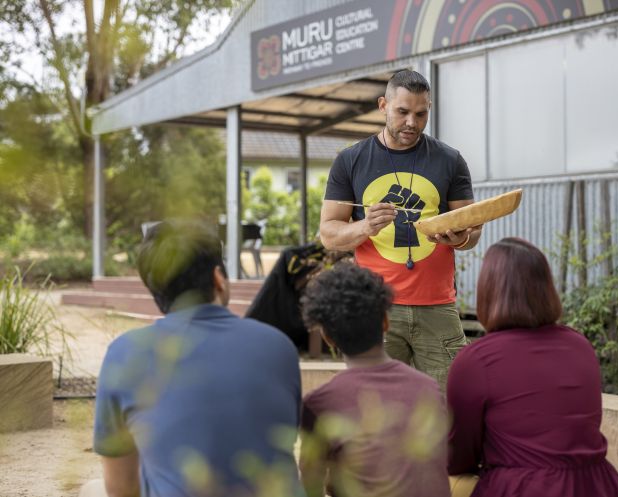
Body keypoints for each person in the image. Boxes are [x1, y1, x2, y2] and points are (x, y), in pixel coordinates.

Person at [86, 220, 302, 497]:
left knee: (92, 489)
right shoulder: (278, 345)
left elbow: (120, 489)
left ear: (155, 289)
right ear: (218, 278)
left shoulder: (124, 353)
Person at [320, 69, 481, 390]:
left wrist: (459, 236)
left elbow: (472, 229)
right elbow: (328, 234)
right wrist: (366, 225)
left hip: (437, 305)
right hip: (377, 306)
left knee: (449, 403)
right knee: (377, 408)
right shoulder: (350, 160)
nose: (412, 122)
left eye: (421, 114)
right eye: (402, 112)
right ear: (383, 105)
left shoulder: (450, 160)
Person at [446, 238, 618, 497]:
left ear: (488, 291)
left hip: (522, 488)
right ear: (546, 288)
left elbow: (458, 458)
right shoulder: (580, 345)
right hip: (597, 486)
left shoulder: (475, 361)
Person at [299, 262, 451, 497]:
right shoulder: (428, 388)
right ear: (385, 322)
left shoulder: (319, 403)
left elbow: (309, 488)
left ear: (327, 337)